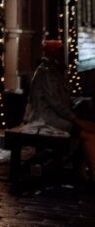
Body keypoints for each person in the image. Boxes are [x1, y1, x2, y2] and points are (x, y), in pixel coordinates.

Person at [24, 39, 95, 180]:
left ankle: (82, 171)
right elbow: (57, 104)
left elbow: (62, 99)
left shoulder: (54, 71)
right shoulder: (45, 72)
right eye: (60, 53)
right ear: (52, 54)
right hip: (45, 120)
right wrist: (76, 120)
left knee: (91, 128)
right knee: (89, 135)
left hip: (56, 117)